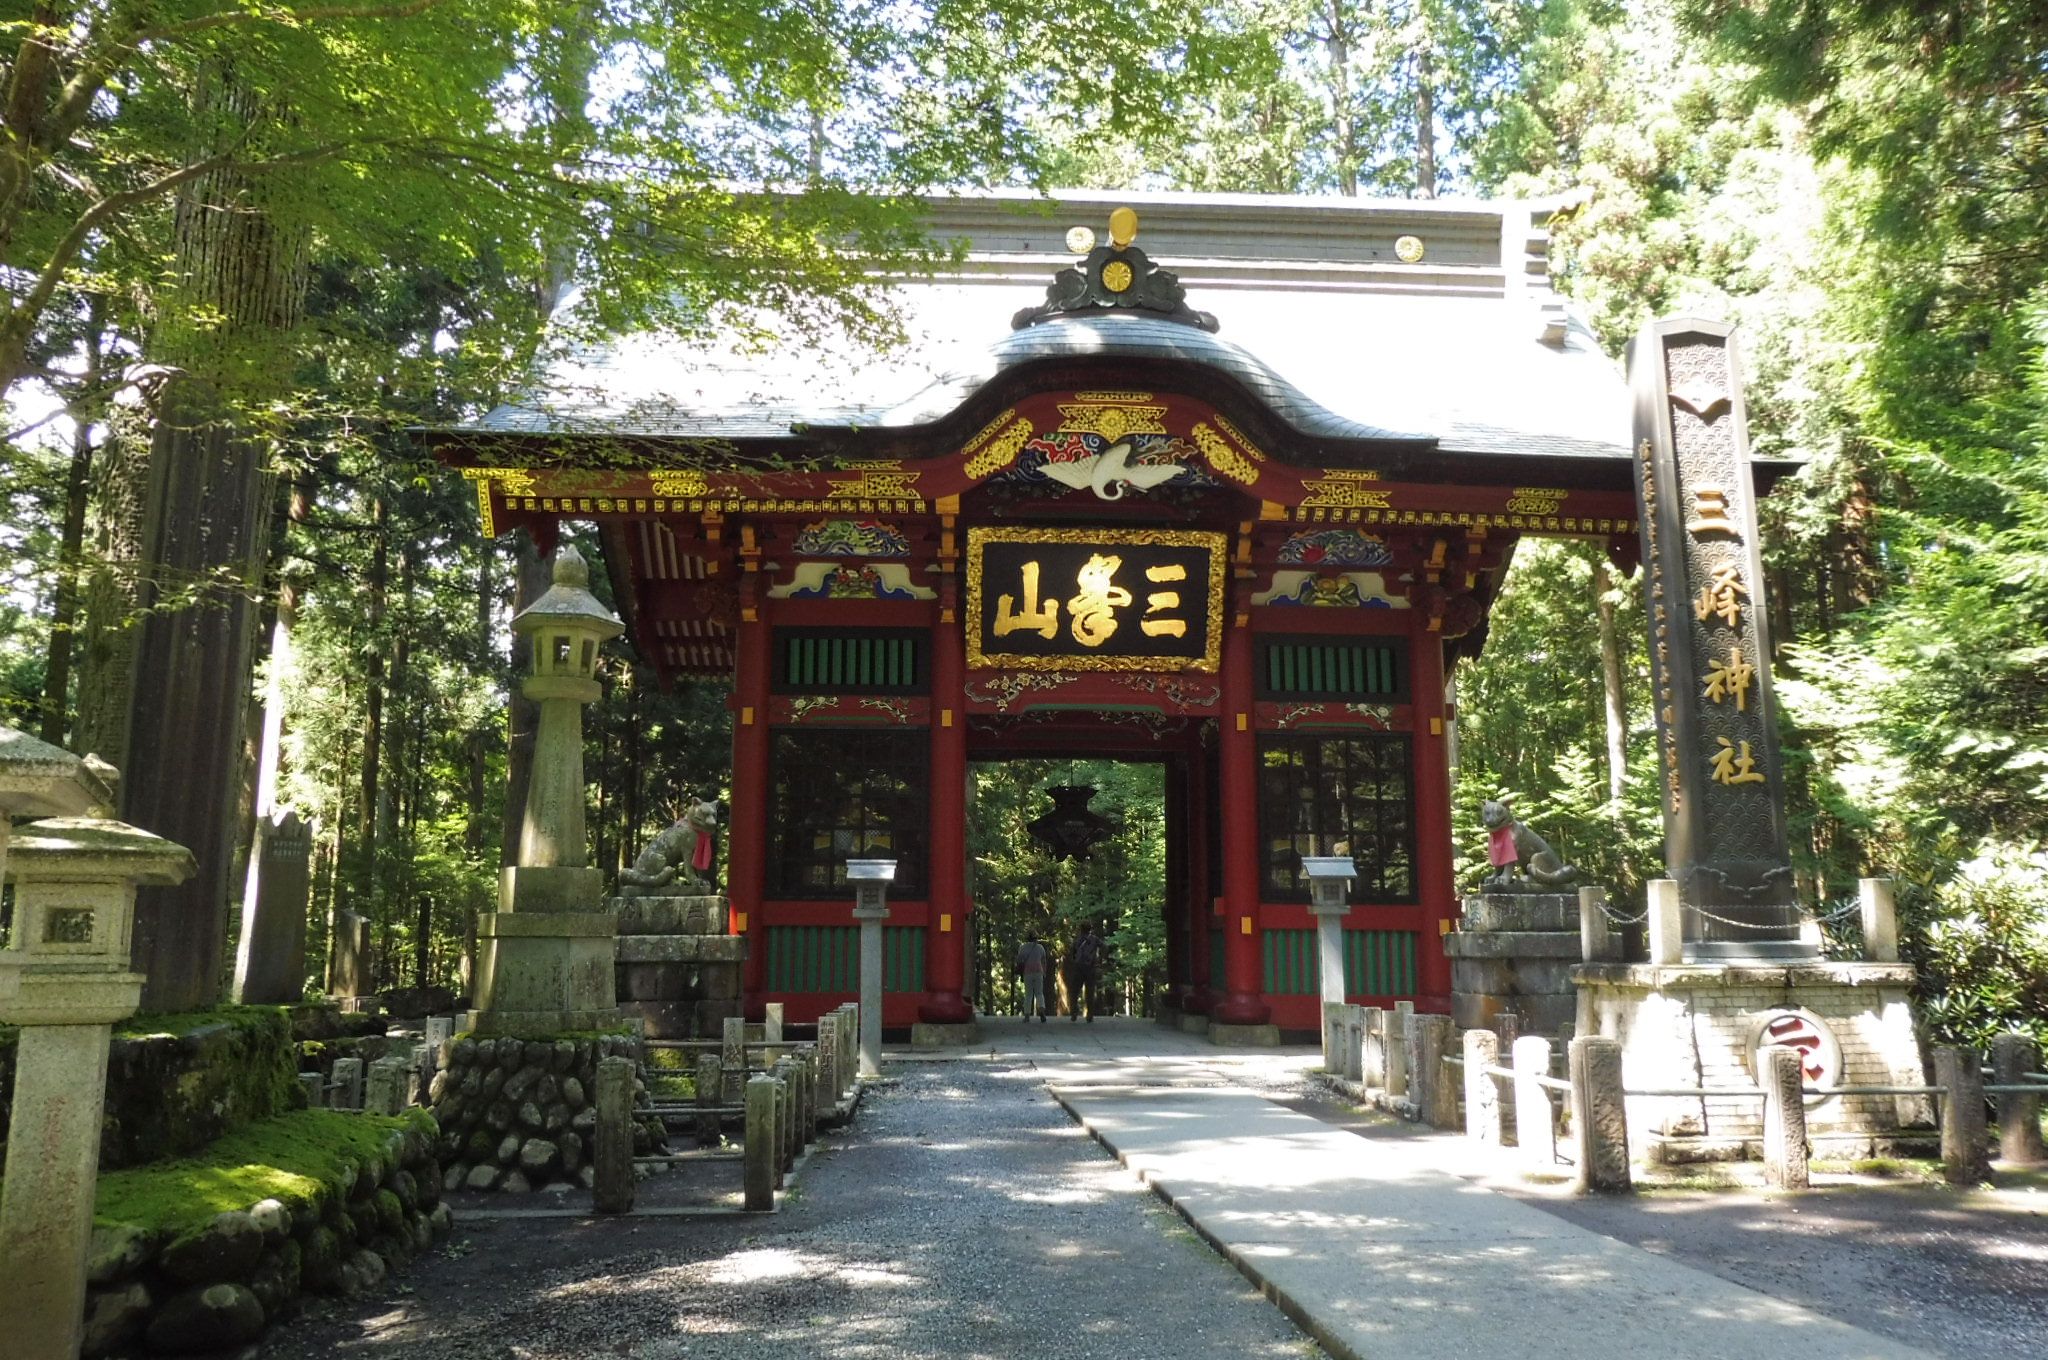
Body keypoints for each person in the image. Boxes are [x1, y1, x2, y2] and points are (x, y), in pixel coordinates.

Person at [1071, 925, 1104, 1022]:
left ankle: (1074, 1013)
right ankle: (1090, 1015)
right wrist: (1100, 960)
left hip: (1078, 968)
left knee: (1075, 991)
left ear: (1081, 929)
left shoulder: (1077, 940)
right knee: (1090, 992)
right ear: (1090, 929)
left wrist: (1074, 960)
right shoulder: (1094, 939)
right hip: (1090, 967)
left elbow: (1072, 952)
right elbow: (1104, 946)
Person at [1015, 934, 1050, 1022]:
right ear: (1035, 939)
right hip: (1038, 971)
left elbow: (1019, 960)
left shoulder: (1023, 947)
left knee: (1028, 994)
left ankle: (1027, 1016)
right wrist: (1044, 972)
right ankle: (1042, 1011)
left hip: (1027, 972)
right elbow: (1044, 960)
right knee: (1039, 993)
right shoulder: (1040, 947)